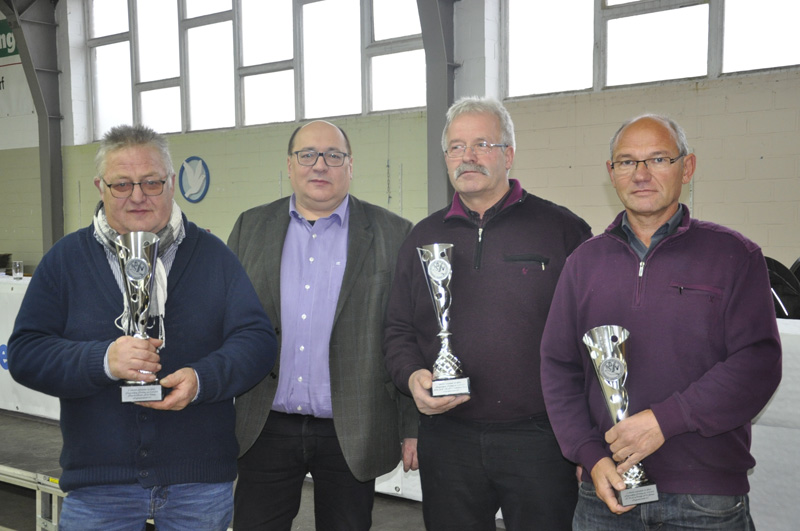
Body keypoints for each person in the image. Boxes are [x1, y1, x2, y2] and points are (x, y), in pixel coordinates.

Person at [7, 124, 277, 530]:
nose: (137, 196)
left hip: (197, 484)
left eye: (151, 182)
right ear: (100, 187)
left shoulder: (213, 256)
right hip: (99, 487)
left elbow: (256, 341)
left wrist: (203, 380)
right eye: (122, 184)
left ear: (172, 183)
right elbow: (26, 353)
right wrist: (102, 360)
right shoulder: (65, 260)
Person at [540, 114, 782, 530]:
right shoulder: (583, 263)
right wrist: (589, 455)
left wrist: (665, 421)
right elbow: (558, 367)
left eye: (658, 159)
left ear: (687, 168)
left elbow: (757, 364)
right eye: (627, 162)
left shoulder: (734, 255)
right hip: (606, 492)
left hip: (704, 497)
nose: (641, 174)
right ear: (611, 173)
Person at [383, 96, 592, 531]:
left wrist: (585, 440)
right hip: (448, 437)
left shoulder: (563, 230)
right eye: (456, 147)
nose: (469, 156)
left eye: (482, 144)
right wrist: (411, 376)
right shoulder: (422, 237)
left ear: (508, 154)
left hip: (540, 438)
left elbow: (589, 334)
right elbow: (399, 327)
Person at [228, 120, 418, 531]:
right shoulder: (250, 227)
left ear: (350, 166)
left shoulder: (394, 233)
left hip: (352, 426)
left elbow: (405, 335)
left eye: (333, 155)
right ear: (290, 165)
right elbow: (227, 324)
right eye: (307, 155)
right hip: (265, 424)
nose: (320, 165)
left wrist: (412, 427)